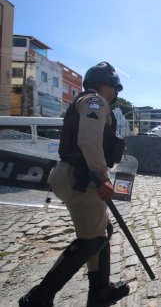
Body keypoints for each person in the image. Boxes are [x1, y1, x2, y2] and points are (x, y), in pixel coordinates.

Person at [19, 62, 130, 307]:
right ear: (102, 83)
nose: (115, 93)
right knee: (91, 241)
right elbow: (89, 141)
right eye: (113, 87)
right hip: (82, 178)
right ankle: (38, 297)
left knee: (103, 232)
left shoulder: (87, 101)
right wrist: (103, 178)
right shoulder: (95, 101)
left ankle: (100, 290)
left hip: (77, 175)